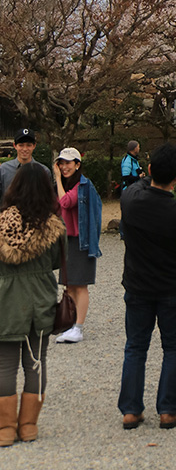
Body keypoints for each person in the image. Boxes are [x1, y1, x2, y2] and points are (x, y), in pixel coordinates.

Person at [118, 142, 176, 429]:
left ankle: (130, 409)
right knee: (174, 346)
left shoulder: (130, 199)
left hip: (137, 284)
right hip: (171, 286)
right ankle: (168, 409)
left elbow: (138, 186)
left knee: (135, 346)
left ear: (149, 169)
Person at [0, 163, 66, 445]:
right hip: (40, 298)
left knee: (4, 366)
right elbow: (54, 263)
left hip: (6, 301)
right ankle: (28, 426)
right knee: (36, 363)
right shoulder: (53, 226)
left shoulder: (1, 223)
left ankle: (4, 430)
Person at [53, 147, 102, 343]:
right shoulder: (67, 184)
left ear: (77, 164)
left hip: (81, 241)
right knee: (69, 285)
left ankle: (78, 327)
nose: (64, 167)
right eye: (61, 163)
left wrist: (57, 178)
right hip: (67, 240)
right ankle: (70, 324)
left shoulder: (83, 185)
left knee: (80, 285)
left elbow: (65, 203)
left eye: (68, 163)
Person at [0, 128, 50, 202]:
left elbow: (47, 199)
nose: (25, 149)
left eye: (28, 145)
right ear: (15, 145)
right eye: (21, 145)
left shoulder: (44, 171)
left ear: (34, 146)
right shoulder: (4, 169)